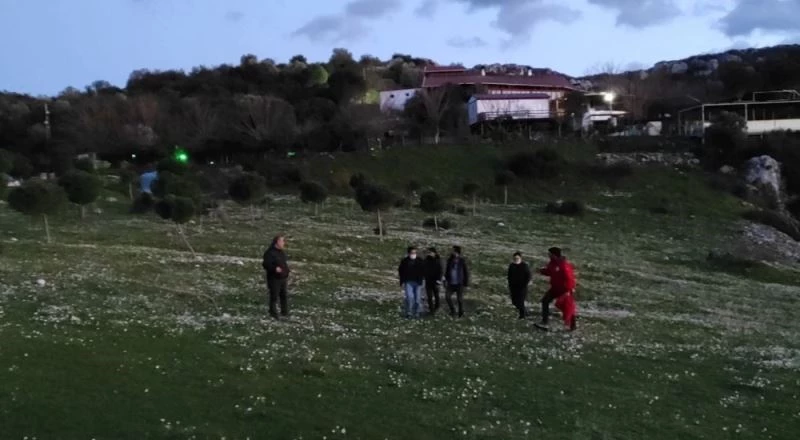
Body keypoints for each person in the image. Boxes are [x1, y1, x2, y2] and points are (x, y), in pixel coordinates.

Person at [535, 247, 577, 331]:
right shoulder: (552, 263)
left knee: (568, 306)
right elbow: (550, 271)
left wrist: (570, 289)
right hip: (555, 288)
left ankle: (572, 325)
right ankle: (544, 321)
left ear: (553, 255)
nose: (548, 255)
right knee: (545, 301)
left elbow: (570, 278)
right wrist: (541, 271)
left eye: (549, 254)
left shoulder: (564, 265)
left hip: (564, 290)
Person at [262, 234, 291, 319]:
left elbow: (284, 263)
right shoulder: (270, 253)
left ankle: (284, 312)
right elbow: (265, 264)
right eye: (282, 241)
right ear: (277, 242)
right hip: (274, 278)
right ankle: (273, 313)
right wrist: (274, 268)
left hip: (283, 278)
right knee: (274, 296)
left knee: (284, 295)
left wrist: (287, 271)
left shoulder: (281, 252)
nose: (283, 243)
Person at [398, 246, 425, 319]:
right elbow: (401, 271)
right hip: (408, 281)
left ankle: (417, 312)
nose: (413, 254)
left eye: (415, 252)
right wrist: (402, 281)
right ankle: (409, 312)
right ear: (409, 253)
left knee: (417, 298)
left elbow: (424, 270)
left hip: (418, 282)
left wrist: (422, 278)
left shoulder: (420, 261)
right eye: (412, 253)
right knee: (409, 297)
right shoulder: (405, 261)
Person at [444, 245, 470, 318]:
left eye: (453, 250)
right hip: (451, 283)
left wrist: (466, 283)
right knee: (447, 297)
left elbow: (466, 272)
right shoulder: (450, 260)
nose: (452, 252)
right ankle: (453, 310)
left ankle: (461, 312)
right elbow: (447, 271)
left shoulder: (462, 261)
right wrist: (445, 279)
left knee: (459, 299)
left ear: (456, 252)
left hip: (459, 284)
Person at [507, 251, 532, 319]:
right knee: (514, 302)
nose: (516, 259)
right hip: (513, 287)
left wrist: (525, 284)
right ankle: (524, 311)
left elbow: (528, 276)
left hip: (522, 288)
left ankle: (522, 315)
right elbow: (509, 276)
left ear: (520, 258)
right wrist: (510, 284)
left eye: (517, 258)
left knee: (520, 301)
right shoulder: (512, 265)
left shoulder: (524, 266)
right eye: (515, 258)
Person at [423, 247, 444, 315]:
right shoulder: (426, 260)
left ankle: (437, 307)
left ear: (434, 253)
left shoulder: (438, 260)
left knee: (436, 295)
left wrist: (439, 280)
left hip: (436, 281)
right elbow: (423, 268)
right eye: (429, 252)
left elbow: (441, 271)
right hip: (428, 281)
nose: (429, 254)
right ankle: (431, 310)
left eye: (430, 252)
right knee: (429, 296)